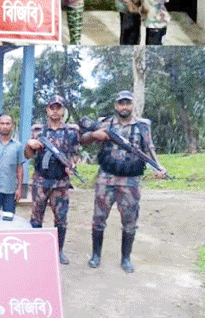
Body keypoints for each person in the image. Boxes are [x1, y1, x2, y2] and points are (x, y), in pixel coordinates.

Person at [81, 90, 167, 273]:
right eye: (121, 103)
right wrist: (95, 135)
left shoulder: (143, 126)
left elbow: (149, 148)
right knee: (98, 219)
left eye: (127, 103)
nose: (124, 106)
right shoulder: (105, 123)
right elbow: (83, 140)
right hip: (106, 178)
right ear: (116, 105)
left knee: (130, 221)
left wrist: (158, 167)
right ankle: (96, 255)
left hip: (131, 180)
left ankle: (126, 258)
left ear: (132, 105)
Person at [24, 96, 81, 264]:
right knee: (36, 218)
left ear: (63, 110)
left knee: (61, 219)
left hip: (61, 183)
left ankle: (59, 251)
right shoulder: (38, 130)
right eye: (52, 107)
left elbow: (76, 153)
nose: (55, 111)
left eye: (59, 107)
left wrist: (72, 165)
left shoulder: (71, 131)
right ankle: (35, 251)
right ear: (47, 110)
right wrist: (29, 144)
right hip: (41, 182)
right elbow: (28, 156)